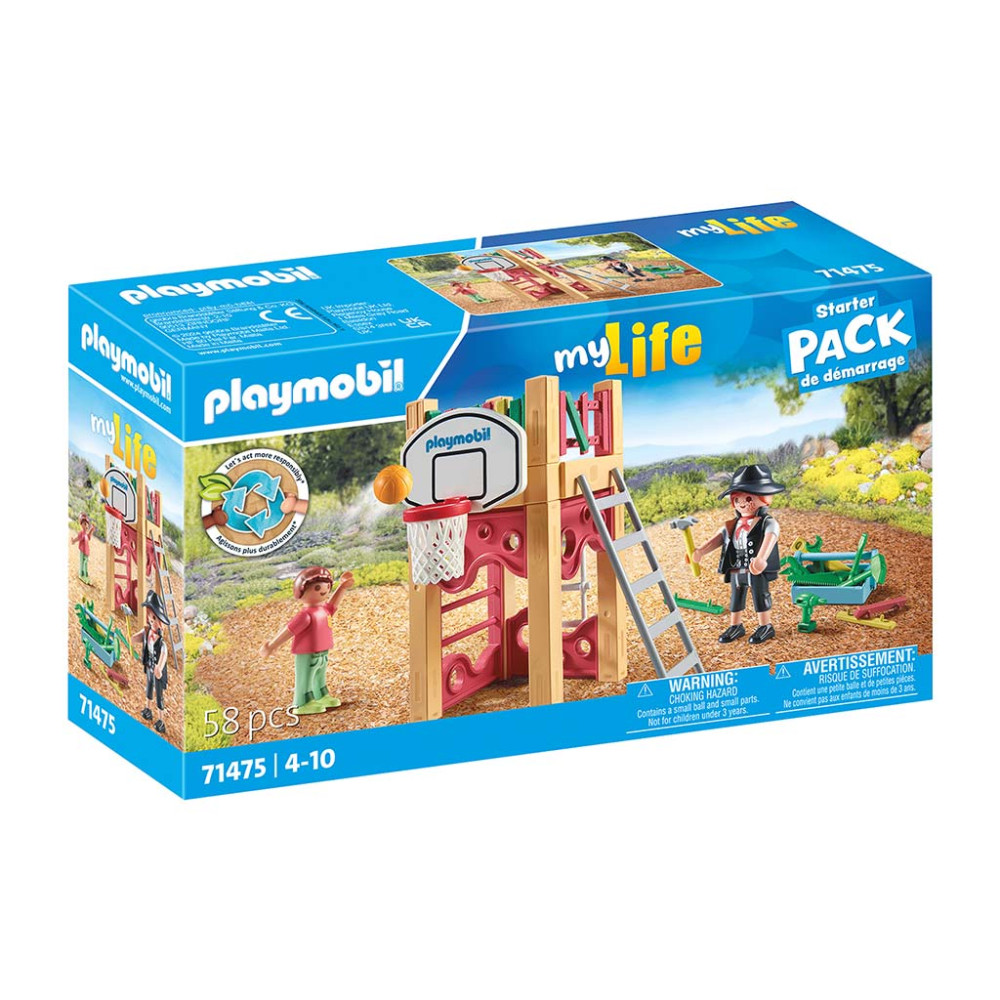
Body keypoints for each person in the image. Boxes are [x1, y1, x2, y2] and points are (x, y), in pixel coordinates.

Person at [690, 464, 786, 645]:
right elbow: (718, 539)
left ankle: (765, 626)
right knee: (736, 596)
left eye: (748, 498)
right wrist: (701, 551)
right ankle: (735, 625)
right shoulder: (733, 524)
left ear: (764, 498)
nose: (742, 503)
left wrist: (761, 558)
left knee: (760, 595)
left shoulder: (768, 522)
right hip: (736, 567)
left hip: (755, 568)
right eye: (737, 499)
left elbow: (770, 538)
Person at [259, 566, 354, 715]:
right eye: (317, 588)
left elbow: (333, 605)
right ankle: (302, 702)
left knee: (319, 674)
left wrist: (342, 587)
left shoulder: (323, 610)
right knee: (305, 677)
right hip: (307, 652)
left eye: (327, 587)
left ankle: (321, 695)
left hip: (322, 650)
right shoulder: (305, 615)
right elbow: (289, 630)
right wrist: (272, 645)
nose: (324, 590)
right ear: (302, 591)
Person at [132, 592, 170, 733]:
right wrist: (133, 638)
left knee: (159, 694)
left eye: (154, 618)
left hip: (157, 671)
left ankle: (161, 721)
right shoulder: (147, 632)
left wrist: (159, 667)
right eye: (149, 617)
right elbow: (139, 637)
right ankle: (148, 709)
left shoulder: (161, 642)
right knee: (149, 688)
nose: (151, 620)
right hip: (149, 667)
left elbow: (164, 654)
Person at [73, 513, 95, 583]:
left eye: (87, 524)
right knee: (83, 563)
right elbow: (78, 538)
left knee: (85, 563)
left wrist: (91, 530)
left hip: (86, 551)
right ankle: (81, 574)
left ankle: (85, 575)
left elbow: (88, 537)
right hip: (82, 551)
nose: (86, 526)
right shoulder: (82, 533)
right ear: (81, 524)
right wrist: (73, 541)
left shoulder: (85, 534)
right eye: (84, 524)